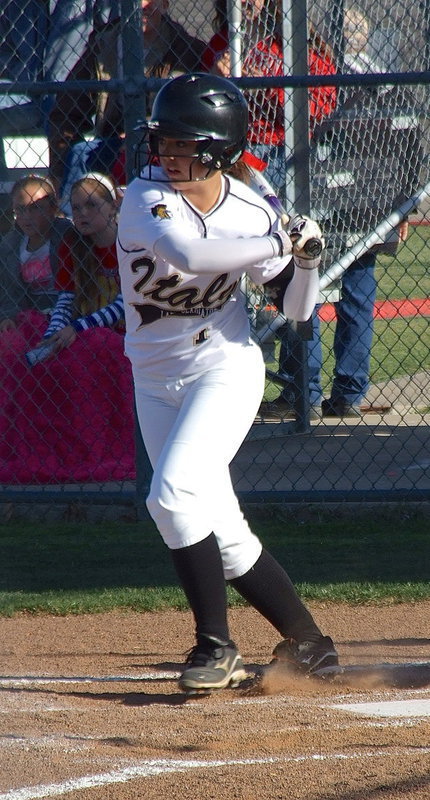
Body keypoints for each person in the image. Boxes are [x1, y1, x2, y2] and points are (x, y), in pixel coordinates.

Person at [117, 72, 339, 694]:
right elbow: (186, 254)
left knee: (170, 496)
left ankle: (214, 644)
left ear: (218, 150)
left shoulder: (247, 210)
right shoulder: (144, 197)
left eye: (182, 143)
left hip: (223, 367)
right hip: (155, 377)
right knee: (217, 523)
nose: (166, 153)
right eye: (163, 141)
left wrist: (306, 261)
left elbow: (295, 312)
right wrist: (277, 236)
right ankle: (312, 645)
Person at [263, 4, 411, 420]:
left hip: (330, 198)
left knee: (305, 287)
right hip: (369, 204)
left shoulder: (325, 72)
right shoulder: (383, 80)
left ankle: (307, 390)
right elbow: (411, 153)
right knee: (352, 297)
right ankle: (344, 392)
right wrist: (398, 206)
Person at [0, 172, 135, 484]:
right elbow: (67, 296)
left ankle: (95, 445)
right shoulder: (74, 245)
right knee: (46, 359)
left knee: (93, 350)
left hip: (122, 327)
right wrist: (52, 336)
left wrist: (76, 327)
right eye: (76, 207)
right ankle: (49, 446)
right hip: (82, 326)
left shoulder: (130, 243)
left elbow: (127, 302)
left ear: (113, 205)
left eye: (91, 205)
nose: (83, 214)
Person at [48, 0, 207, 203]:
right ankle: (70, 226)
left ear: (165, 4)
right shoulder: (103, 45)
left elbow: (187, 113)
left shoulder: (185, 49)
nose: (142, 5)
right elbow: (67, 110)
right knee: (80, 154)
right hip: (112, 141)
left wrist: (145, 132)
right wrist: (60, 164)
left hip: (161, 144)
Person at [0, 174, 72, 335]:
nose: (26, 217)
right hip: (29, 317)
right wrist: (8, 317)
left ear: (53, 208)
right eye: (20, 209)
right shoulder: (10, 246)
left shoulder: (69, 236)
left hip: (67, 314)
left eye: (35, 208)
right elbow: (9, 293)